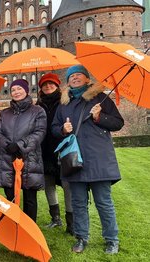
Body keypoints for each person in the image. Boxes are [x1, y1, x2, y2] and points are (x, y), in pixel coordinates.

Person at [51, 65, 124, 254]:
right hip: (74, 160)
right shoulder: (63, 104)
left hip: (98, 158)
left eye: (78, 75)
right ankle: (81, 237)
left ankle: (111, 239)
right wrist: (62, 130)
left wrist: (100, 117)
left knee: (104, 202)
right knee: (78, 202)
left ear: (86, 79)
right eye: (71, 76)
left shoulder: (101, 98)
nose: (75, 78)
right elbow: (54, 128)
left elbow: (118, 123)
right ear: (67, 81)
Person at [0, 79, 46, 222]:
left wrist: (20, 145)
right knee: (9, 198)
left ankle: (28, 229)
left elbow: (39, 133)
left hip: (29, 159)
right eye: (13, 90)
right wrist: (7, 145)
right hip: (7, 159)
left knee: (30, 199)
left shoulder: (38, 111)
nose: (16, 92)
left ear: (26, 90)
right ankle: (11, 226)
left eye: (19, 89)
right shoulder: (4, 113)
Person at [36, 73, 73, 235]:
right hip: (44, 150)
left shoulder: (66, 102)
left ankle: (71, 223)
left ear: (57, 86)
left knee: (67, 185)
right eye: (44, 84)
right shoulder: (38, 105)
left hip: (62, 147)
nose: (48, 86)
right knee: (48, 184)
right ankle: (55, 218)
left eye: (51, 84)